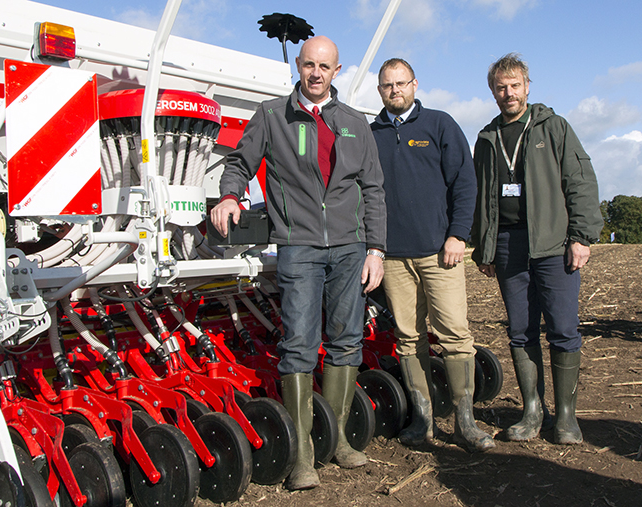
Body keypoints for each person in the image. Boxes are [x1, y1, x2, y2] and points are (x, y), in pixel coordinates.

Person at [210, 35, 386, 489]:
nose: (315, 73)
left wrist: (376, 249)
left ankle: (340, 441)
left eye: (324, 67)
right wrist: (230, 196)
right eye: (308, 65)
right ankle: (304, 455)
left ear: (337, 71)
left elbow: (373, 189)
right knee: (300, 345)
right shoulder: (273, 115)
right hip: (300, 247)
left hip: (350, 247)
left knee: (347, 339)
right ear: (299, 68)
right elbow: (239, 162)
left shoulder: (353, 122)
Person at [471, 53, 603, 445]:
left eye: (514, 86)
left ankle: (565, 417)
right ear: (492, 91)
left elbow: (580, 181)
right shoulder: (486, 138)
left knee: (562, 330)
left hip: (552, 243)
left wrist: (582, 237)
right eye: (500, 87)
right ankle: (532, 412)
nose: (508, 93)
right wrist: (485, 248)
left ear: (527, 86)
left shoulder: (554, 127)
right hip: (509, 245)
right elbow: (481, 198)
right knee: (519, 331)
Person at [370, 58, 494, 453]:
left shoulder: (439, 124)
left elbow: (464, 183)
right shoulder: (370, 134)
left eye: (401, 83)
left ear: (415, 84)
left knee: (455, 335)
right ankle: (422, 419)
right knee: (408, 338)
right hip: (392, 256)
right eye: (388, 85)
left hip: (440, 254)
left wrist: (458, 235)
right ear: (379, 90)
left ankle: (464, 420)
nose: (395, 90)